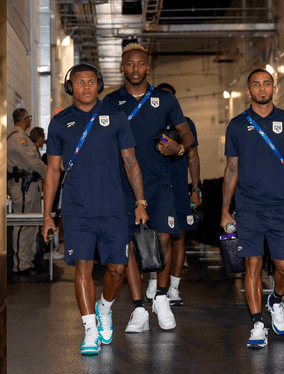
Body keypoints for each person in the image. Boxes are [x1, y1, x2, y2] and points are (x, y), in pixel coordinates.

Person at [42, 63, 148, 354]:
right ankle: (90, 330)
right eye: (79, 82)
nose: (86, 87)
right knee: (82, 269)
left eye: (91, 82)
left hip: (114, 208)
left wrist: (141, 202)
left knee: (116, 269)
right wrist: (47, 214)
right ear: (70, 87)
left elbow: (131, 163)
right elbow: (52, 171)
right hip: (77, 209)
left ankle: (105, 307)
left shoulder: (116, 118)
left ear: (99, 85)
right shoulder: (60, 122)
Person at [102, 43, 195, 333]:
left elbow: (187, 135)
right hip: (123, 185)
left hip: (158, 183)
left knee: (165, 238)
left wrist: (179, 149)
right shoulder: (110, 101)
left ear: (147, 67)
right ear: (122, 67)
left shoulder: (165, 99)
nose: (135, 69)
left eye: (140, 64)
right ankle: (140, 307)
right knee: (130, 244)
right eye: (129, 64)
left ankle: (162, 298)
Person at [221, 68, 284, 349]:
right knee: (252, 264)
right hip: (249, 208)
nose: (261, 88)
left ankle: (276, 301)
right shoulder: (236, 125)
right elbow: (231, 168)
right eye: (256, 84)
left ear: (273, 88)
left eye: (266, 84)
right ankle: (257, 324)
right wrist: (225, 210)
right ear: (248, 92)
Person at [145, 82, 201, 306]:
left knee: (178, 237)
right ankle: (153, 280)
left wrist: (195, 190)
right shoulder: (148, 122)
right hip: (153, 187)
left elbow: (193, 156)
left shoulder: (185, 125)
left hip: (178, 188)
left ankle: (174, 288)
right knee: (153, 238)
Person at [7, 108, 47, 275]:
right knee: (22, 225)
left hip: (29, 187)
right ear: (26, 120)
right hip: (23, 188)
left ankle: (27, 261)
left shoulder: (19, 138)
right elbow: (33, 162)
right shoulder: (19, 139)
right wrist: (49, 174)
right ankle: (20, 265)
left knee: (30, 225)